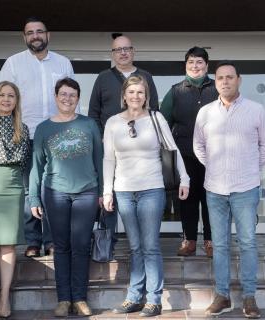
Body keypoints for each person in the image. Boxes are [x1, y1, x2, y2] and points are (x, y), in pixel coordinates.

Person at [103, 75, 189, 317]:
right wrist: (107, 191)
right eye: (131, 92)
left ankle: (154, 299)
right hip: (123, 190)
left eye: (140, 92)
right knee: (134, 246)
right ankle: (133, 297)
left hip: (152, 188)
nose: (136, 97)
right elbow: (109, 159)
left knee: (150, 246)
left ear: (146, 96)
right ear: (124, 95)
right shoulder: (112, 123)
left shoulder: (156, 118)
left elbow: (172, 150)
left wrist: (185, 178)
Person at [193, 61, 265, 318]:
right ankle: (222, 295)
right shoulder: (205, 113)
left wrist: (250, 168)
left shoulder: (256, 110)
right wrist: (215, 166)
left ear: (239, 80)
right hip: (215, 189)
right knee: (220, 244)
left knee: (248, 242)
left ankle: (249, 297)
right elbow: (198, 146)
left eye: (229, 77)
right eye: (220, 78)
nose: (225, 82)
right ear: (215, 82)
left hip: (245, 188)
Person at [0, 17, 75, 258]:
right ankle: (33, 241)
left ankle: (51, 240)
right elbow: (4, 98)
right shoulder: (13, 63)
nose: (35, 36)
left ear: (48, 35)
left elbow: (71, 96)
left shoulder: (63, 63)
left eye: (39, 32)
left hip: (57, 135)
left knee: (52, 189)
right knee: (28, 189)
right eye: (30, 32)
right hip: (25, 135)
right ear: (25, 37)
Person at [29, 78, 103, 317]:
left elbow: (99, 161)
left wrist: (103, 192)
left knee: (81, 246)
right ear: (56, 96)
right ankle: (63, 299)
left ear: (78, 98)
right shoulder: (43, 129)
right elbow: (37, 167)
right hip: (56, 192)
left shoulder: (89, 125)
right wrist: (34, 199)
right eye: (63, 94)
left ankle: (80, 298)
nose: (67, 99)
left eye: (72, 95)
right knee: (61, 247)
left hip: (87, 191)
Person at [88, 33, 159, 249]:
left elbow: (154, 110)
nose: (123, 52)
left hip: (140, 152)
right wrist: (101, 139)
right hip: (111, 149)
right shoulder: (103, 78)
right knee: (108, 197)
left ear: (133, 51)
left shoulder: (145, 76)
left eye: (127, 48)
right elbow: (93, 113)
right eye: (118, 49)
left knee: (137, 199)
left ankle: (138, 244)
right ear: (113, 54)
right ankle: (107, 244)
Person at [161, 46, 218, 257]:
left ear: (206, 65)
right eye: (191, 62)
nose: (195, 66)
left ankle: (211, 241)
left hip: (213, 157)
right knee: (188, 199)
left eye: (199, 62)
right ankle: (189, 240)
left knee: (211, 199)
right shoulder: (176, 90)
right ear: (186, 66)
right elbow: (162, 122)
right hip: (185, 156)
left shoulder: (216, 88)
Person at [0, 81, 30, 318]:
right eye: (2, 95)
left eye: (11, 96)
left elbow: (24, 161)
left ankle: (4, 297)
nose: (6, 99)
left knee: (8, 245)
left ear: (16, 101)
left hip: (13, 186)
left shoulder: (23, 128)